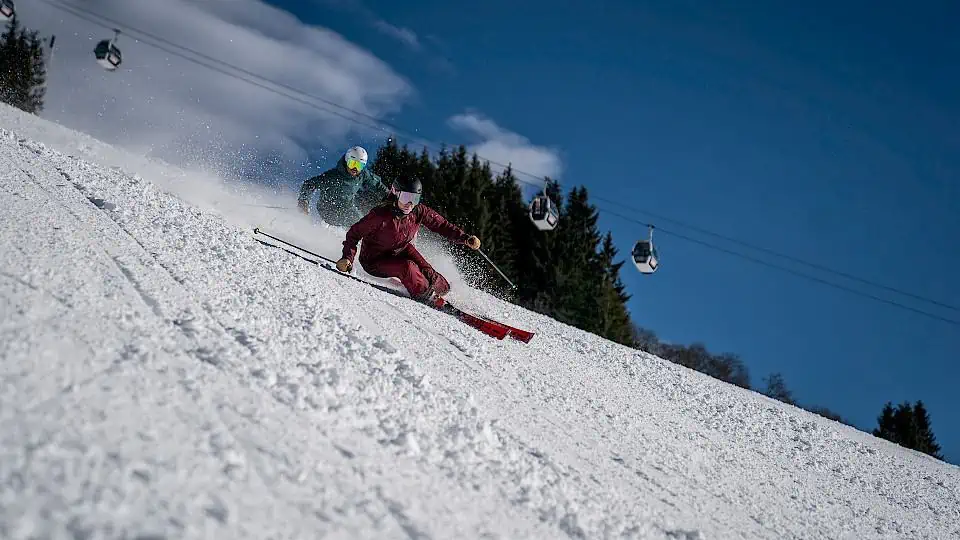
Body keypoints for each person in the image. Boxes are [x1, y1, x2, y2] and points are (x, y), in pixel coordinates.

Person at [336, 176, 481, 307]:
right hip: (374, 260)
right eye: (405, 197)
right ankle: (428, 296)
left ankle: (445, 292)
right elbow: (354, 233)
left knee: (428, 271)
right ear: (395, 193)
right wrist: (347, 258)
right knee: (407, 267)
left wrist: (465, 238)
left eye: (414, 199)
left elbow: (441, 225)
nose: (410, 204)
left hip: (401, 249)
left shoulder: (418, 211)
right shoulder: (380, 215)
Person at [297, 146, 389, 227]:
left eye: (359, 166)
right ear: (346, 161)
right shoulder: (333, 176)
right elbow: (310, 184)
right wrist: (304, 200)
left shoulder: (362, 175)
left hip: (347, 208)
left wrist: (390, 196)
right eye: (353, 164)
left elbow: (377, 184)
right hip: (327, 211)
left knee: (363, 223)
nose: (355, 169)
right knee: (358, 225)